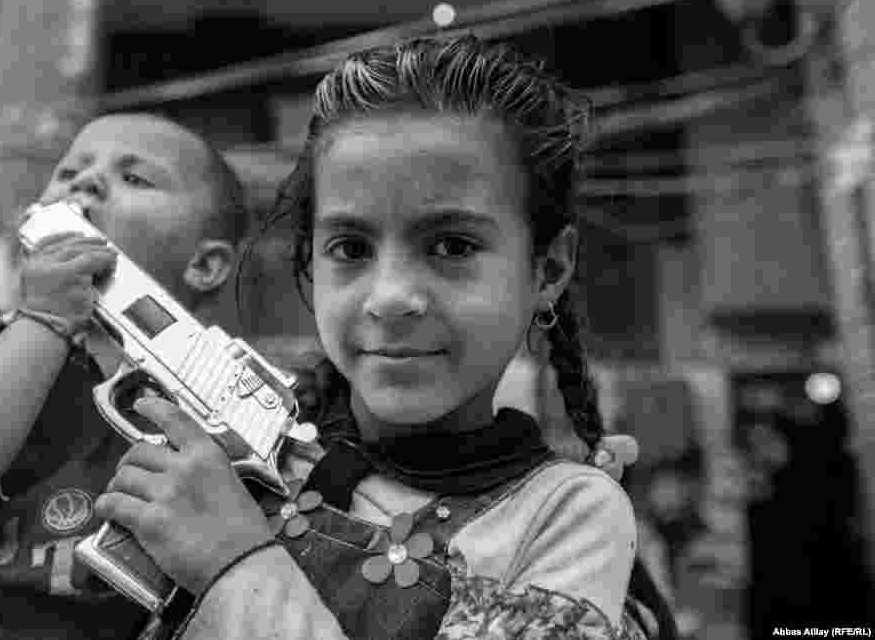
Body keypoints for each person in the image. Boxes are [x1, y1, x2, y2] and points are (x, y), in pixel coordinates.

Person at [91, 35, 673, 639]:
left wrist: (236, 564)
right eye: (351, 248)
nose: (390, 297)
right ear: (312, 267)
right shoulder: (242, 461)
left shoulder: (567, 514)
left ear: (548, 270)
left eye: (452, 246)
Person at [0, 112, 249, 640]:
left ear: (204, 266)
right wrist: (43, 321)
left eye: (134, 178)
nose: (86, 182)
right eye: (69, 173)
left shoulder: (227, 403)